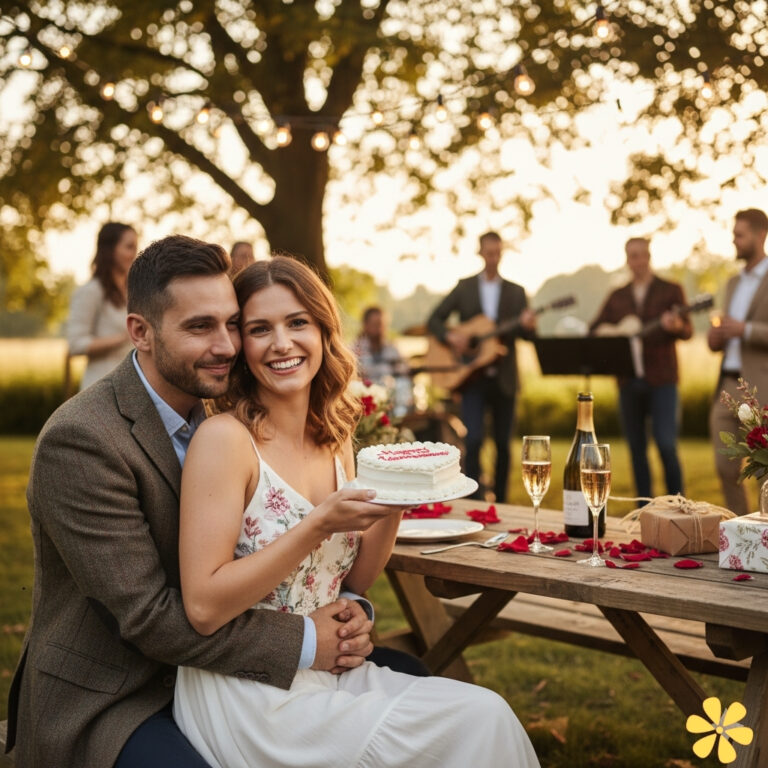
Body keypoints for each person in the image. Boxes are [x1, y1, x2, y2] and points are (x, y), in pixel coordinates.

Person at [5, 236, 399, 768]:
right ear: (140, 332)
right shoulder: (82, 441)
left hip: (224, 671)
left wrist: (348, 615)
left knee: (423, 688)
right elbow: (149, 619)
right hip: (117, 694)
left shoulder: (228, 408)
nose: (227, 346)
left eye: (232, 323)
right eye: (199, 327)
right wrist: (308, 640)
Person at [171, 255, 540, 768]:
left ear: (324, 332)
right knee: (464, 728)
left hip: (332, 670)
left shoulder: (337, 439)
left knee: (489, 713)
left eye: (298, 322)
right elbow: (204, 606)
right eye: (260, 329)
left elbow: (357, 580)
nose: (282, 343)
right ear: (241, 345)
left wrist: (393, 503)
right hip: (249, 691)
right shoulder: (225, 440)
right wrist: (319, 522)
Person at [427, 231, 536, 503]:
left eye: (497, 253)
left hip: (505, 378)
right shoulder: (465, 287)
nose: (493, 258)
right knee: (473, 440)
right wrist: (451, 337)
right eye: (488, 253)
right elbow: (434, 319)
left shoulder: (516, 292)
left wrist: (530, 326)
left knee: (503, 445)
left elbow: (529, 337)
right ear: (480, 252)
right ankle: (473, 499)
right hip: (471, 377)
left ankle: (500, 503)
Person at [589, 237, 692, 499]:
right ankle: (643, 509)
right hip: (628, 380)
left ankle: (678, 504)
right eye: (632, 256)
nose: (638, 261)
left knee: (666, 445)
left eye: (642, 255)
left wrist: (675, 326)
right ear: (627, 259)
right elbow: (595, 329)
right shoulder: (618, 295)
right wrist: (613, 336)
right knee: (636, 449)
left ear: (649, 256)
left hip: (663, 379)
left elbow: (687, 329)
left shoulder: (671, 290)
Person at [708, 208, 768, 516]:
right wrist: (716, 338)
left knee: (764, 473)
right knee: (724, 467)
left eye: (740, 235)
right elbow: (725, 331)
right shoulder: (732, 282)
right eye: (733, 234)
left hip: (762, 388)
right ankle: (741, 529)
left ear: (761, 235)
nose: (734, 240)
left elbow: (747, 330)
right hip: (727, 387)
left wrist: (745, 330)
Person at [66, 221, 138, 390]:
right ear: (110, 250)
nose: (134, 254)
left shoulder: (134, 291)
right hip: (101, 388)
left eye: (135, 247)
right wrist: (125, 336)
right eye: (129, 247)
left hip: (132, 387)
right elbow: (76, 344)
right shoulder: (91, 291)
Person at [353, 305, 412, 415]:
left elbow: (404, 374)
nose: (379, 328)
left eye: (382, 325)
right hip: (363, 405)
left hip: (390, 404)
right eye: (375, 324)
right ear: (365, 325)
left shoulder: (393, 350)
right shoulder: (354, 350)